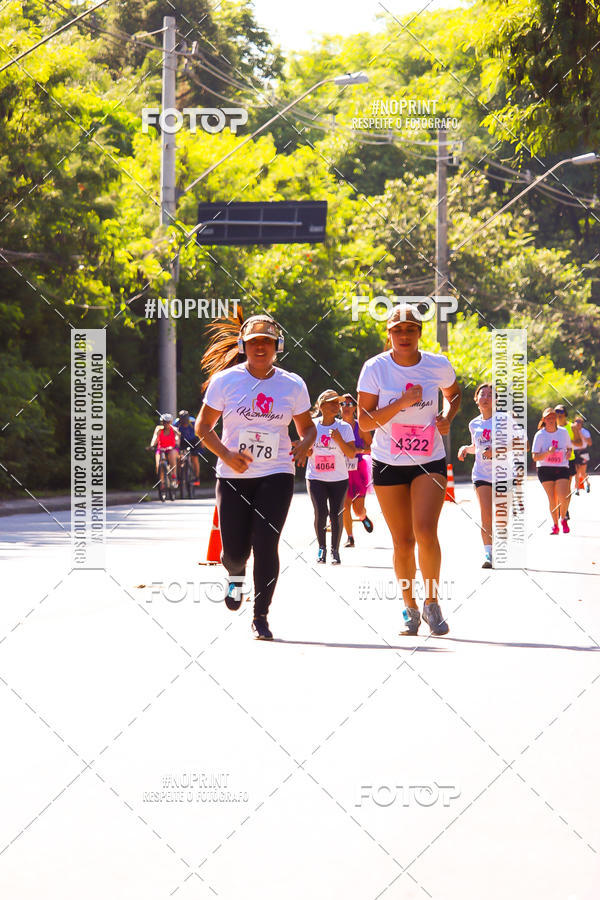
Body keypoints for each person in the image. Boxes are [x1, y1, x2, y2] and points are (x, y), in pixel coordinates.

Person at [195, 313, 316, 640]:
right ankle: (235, 574)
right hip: (233, 475)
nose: (260, 347)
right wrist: (227, 455)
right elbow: (202, 427)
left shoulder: (292, 384)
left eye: (267, 342)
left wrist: (304, 444)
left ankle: (260, 616)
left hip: (276, 472)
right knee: (234, 550)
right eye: (254, 342)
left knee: (266, 543)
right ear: (243, 346)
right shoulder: (226, 381)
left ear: (278, 346)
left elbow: (307, 428)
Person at [357, 303, 461, 636]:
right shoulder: (375, 369)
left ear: (420, 333)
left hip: (428, 458)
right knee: (402, 541)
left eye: (411, 329)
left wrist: (447, 415)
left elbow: (455, 394)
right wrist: (401, 404)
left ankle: (432, 603)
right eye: (397, 330)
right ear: (388, 335)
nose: (404, 335)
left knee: (425, 531)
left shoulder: (437, 365)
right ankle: (409, 608)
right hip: (388, 460)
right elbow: (364, 422)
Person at [306, 390, 356, 564]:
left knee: (336, 514)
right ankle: (322, 548)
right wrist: (307, 451)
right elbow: (307, 450)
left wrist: (340, 440)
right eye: (333, 402)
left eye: (338, 402)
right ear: (322, 406)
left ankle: (335, 551)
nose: (338, 406)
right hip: (316, 477)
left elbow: (351, 454)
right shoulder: (311, 426)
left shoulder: (344, 427)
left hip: (338, 479)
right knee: (321, 512)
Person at [457, 383, 495, 568]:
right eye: (483, 394)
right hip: (481, 474)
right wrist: (465, 448)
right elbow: (477, 447)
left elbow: (516, 445)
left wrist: (497, 450)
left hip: (503, 475)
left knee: (501, 516)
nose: (486, 398)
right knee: (486, 514)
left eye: (490, 395)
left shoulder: (503, 421)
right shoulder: (474, 424)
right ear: (476, 399)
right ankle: (488, 554)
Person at [339, 393, 373, 548]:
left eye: (349, 404)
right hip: (340, 471)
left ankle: (363, 516)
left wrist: (358, 451)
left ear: (355, 407)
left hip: (358, 470)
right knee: (344, 505)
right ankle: (350, 537)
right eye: (343, 404)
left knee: (357, 509)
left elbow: (370, 447)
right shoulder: (336, 426)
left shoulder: (361, 426)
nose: (346, 407)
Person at [531, 407, 572, 534]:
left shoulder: (563, 432)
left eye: (553, 417)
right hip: (544, 468)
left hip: (561, 467)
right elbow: (535, 456)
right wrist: (547, 453)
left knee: (563, 495)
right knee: (552, 498)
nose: (551, 420)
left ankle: (563, 518)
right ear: (544, 420)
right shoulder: (540, 435)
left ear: (556, 419)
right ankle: (555, 525)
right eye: (548, 418)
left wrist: (568, 453)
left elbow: (569, 448)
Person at [554, 405, 583, 518]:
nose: (558, 414)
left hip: (568, 460)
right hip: (554, 461)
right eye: (556, 412)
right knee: (556, 488)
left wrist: (567, 442)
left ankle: (565, 510)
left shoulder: (572, 427)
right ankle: (559, 508)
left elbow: (580, 443)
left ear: (565, 414)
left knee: (566, 488)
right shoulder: (552, 427)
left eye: (560, 411)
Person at [150, 413, 180, 490]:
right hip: (161, 449)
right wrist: (152, 445)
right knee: (158, 465)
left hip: (171, 448)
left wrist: (176, 444)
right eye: (164, 422)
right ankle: (162, 482)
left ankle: (174, 476)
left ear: (170, 422)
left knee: (172, 455)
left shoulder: (174, 429)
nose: (165, 424)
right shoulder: (159, 429)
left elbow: (177, 438)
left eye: (167, 422)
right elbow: (155, 438)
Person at [174, 410, 201, 484]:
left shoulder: (193, 421)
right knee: (179, 459)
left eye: (186, 421)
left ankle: (196, 478)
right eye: (183, 421)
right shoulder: (176, 423)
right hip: (182, 441)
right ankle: (179, 477)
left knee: (194, 458)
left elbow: (199, 431)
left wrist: (202, 442)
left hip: (193, 441)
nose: (185, 423)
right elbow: (174, 434)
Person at [572, 415, 592, 494]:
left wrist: (580, 434)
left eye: (580, 422)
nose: (578, 423)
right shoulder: (572, 431)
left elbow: (590, 443)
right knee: (576, 472)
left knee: (582, 472)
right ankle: (577, 489)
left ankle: (587, 483)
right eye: (576, 422)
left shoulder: (585, 432)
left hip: (583, 452)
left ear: (582, 423)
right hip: (575, 452)